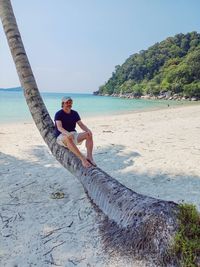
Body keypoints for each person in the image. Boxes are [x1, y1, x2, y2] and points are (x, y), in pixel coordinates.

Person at [54, 96, 96, 168]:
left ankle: (89, 157)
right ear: (63, 103)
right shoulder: (59, 114)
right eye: (67, 102)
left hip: (73, 134)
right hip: (62, 136)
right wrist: (67, 133)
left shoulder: (74, 113)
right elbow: (59, 127)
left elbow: (81, 124)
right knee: (67, 138)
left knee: (88, 134)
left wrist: (88, 130)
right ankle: (83, 159)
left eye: (70, 102)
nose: (69, 104)